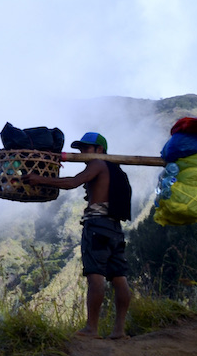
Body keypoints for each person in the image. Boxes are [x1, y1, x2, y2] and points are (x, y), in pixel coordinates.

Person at [23, 132, 133, 340]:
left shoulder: (98, 164)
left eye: (87, 148)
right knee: (119, 277)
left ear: (99, 150)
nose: (83, 152)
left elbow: (73, 182)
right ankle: (119, 330)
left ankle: (92, 328)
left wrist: (40, 180)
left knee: (96, 277)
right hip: (115, 229)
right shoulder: (116, 171)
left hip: (97, 226)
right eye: (81, 149)